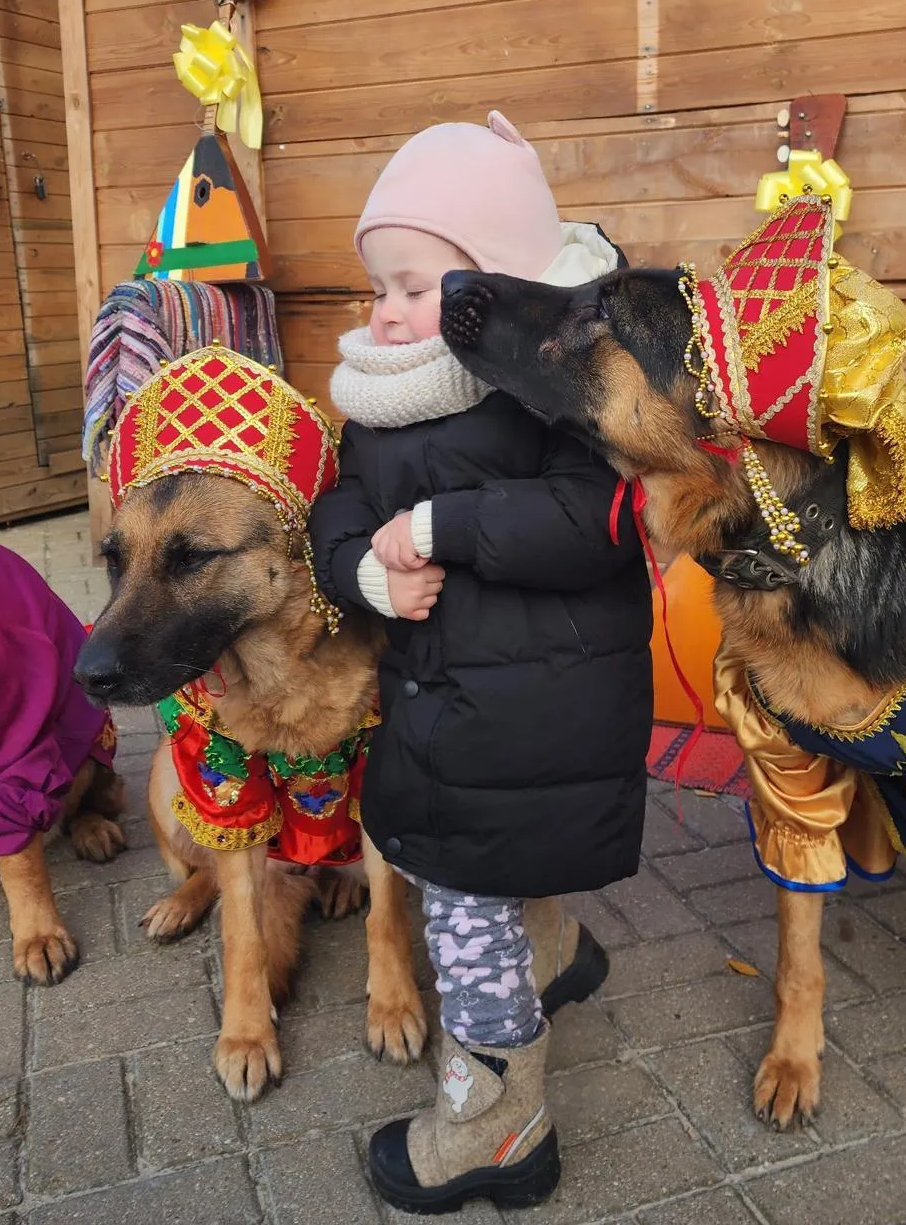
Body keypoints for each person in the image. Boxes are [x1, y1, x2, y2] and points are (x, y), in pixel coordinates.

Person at [311, 113, 654, 1214]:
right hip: (452, 702)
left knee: (460, 902)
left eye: (413, 285)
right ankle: (548, 952)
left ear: (496, 284)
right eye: (377, 288)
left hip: (540, 706)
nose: (384, 311)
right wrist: (365, 572)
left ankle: (500, 1124)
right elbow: (342, 512)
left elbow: (596, 519)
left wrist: (447, 526)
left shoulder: (568, 383)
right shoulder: (381, 399)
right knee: (477, 859)